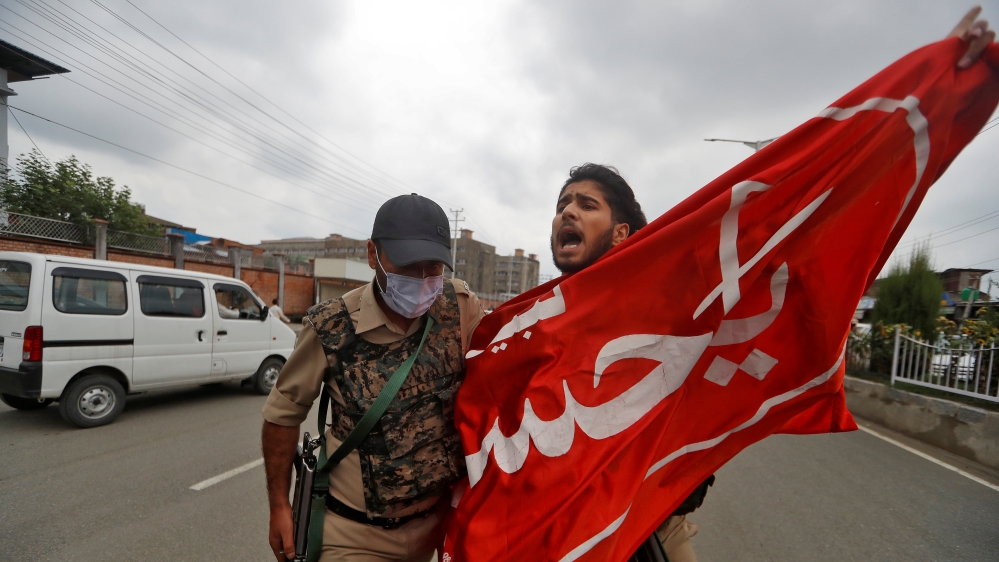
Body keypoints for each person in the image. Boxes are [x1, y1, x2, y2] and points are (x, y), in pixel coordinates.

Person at [261, 193, 484, 562]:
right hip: (355, 536)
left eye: (434, 267)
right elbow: (282, 415)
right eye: (409, 266)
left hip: (440, 528)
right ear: (372, 255)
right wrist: (279, 507)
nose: (423, 279)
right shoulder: (330, 327)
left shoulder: (459, 308)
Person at [550, 163, 705, 562]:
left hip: (651, 530)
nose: (568, 212)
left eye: (586, 205)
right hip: (557, 533)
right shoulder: (531, 326)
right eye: (563, 203)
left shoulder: (663, 320)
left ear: (620, 233)